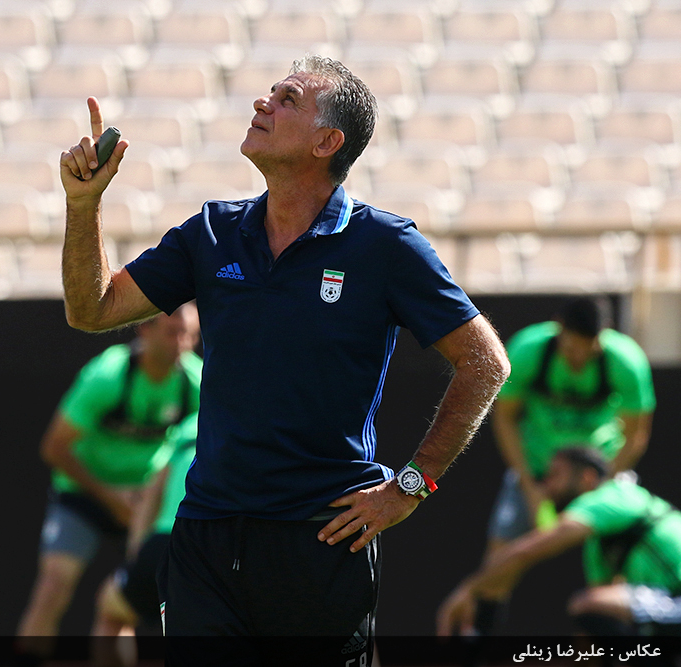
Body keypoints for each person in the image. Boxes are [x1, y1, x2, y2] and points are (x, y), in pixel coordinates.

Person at [58, 54, 510, 665]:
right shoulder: (211, 230)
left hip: (323, 538)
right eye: (270, 93)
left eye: (288, 98)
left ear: (328, 142)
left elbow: (485, 363)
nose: (262, 103)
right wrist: (84, 205)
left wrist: (411, 485)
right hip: (206, 539)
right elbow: (93, 309)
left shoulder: (386, 244)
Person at [16, 306, 201, 659]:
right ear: (144, 331)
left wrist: (146, 500)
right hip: (84, 495)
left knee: (122, 605)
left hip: (143, 502)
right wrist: (110, 496)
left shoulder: (196, 381)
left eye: (190, 336)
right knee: (54, 585)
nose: (182, 344)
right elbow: (54, 447)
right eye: (172, 333)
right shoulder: (108, 375)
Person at [475, 297, 656, 634]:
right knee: (499, 560)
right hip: (537, 471)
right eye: (572, 348)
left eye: (589, 350)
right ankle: (477, 641)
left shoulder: (626, 361)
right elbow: (505, 419)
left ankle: (614, 647)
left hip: (600, 477)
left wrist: (604, 486)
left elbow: (636, 435)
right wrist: (529, 485)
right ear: (558, 329)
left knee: (617, 566)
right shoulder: (528, 350)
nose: (579, 358)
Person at [437, 446, 681, 638]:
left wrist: (469, 589)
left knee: (589, 605)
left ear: (587, 477)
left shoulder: (611, 497)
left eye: (555, 475)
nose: (546, 487)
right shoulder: (598, 546)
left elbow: (526, 552)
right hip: (669, 606)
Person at [91, 413, 198, 667]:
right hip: (212, 549)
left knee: (111, 610)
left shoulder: (190, 423)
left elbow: (153, 493)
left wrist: (137, 552)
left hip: (165, 546)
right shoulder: (257, 420)